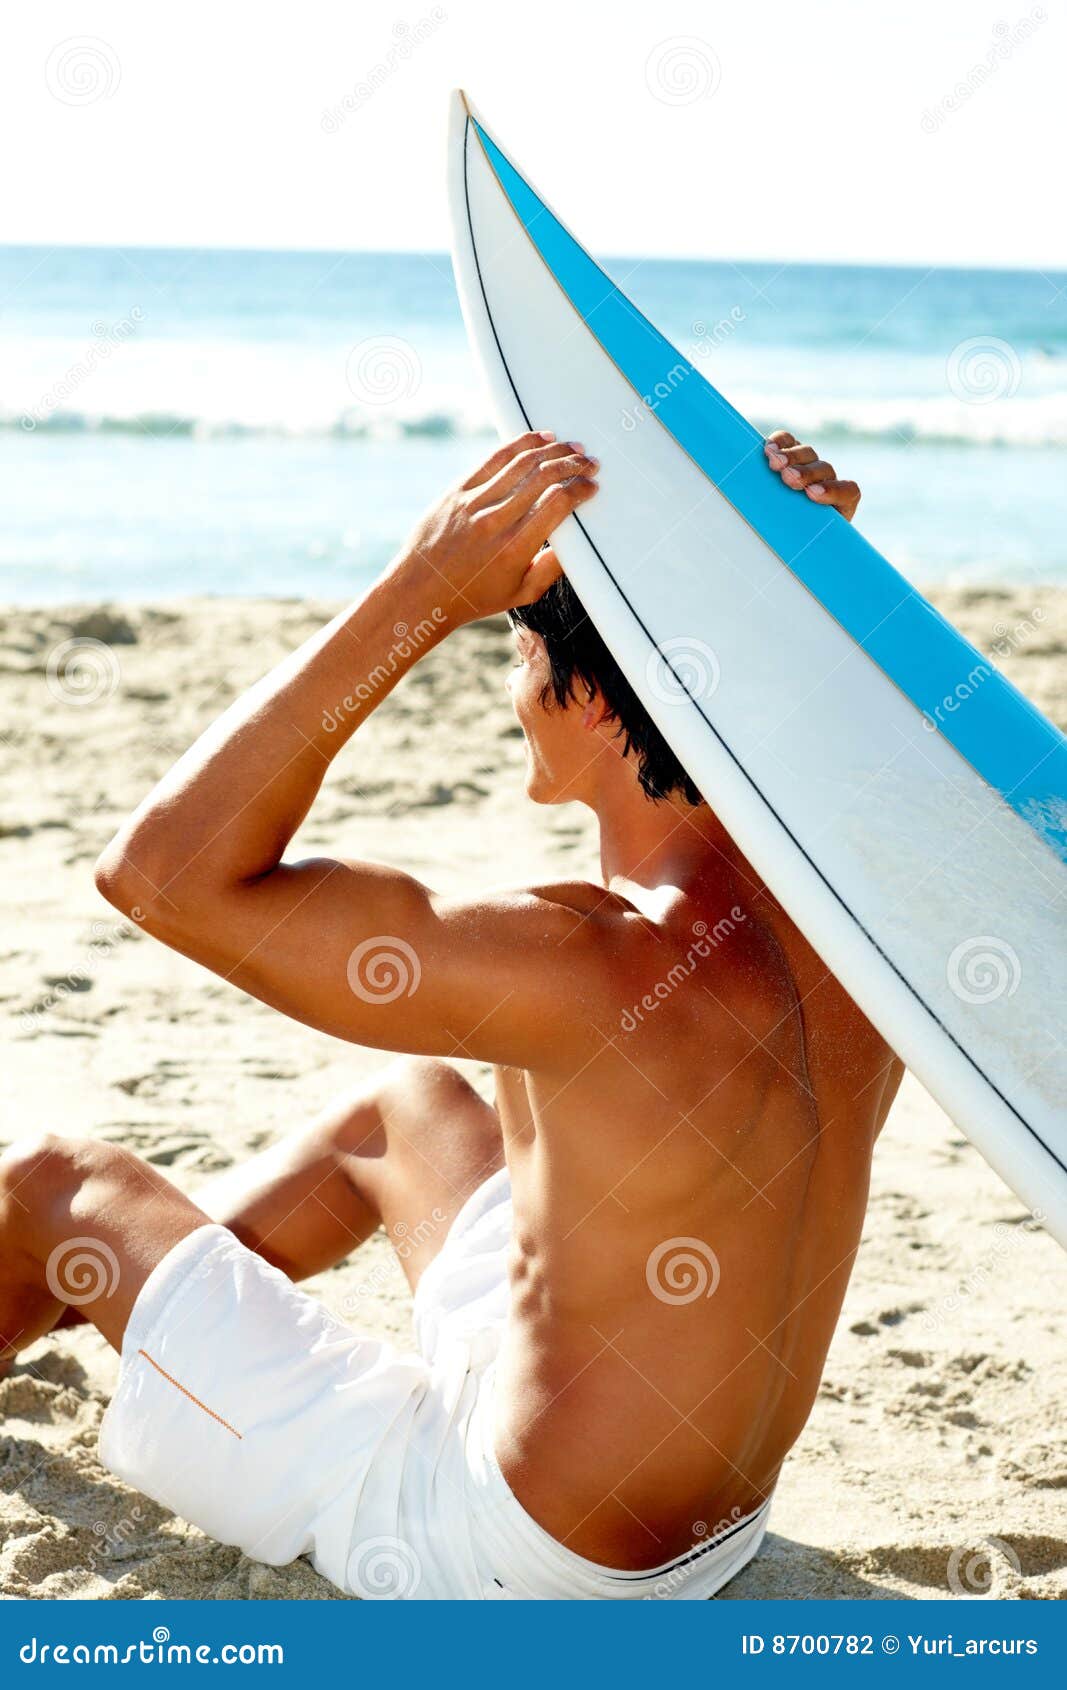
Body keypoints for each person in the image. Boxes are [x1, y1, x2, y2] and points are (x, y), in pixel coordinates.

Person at [0, 428, 898, 1599]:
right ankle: (130, 1303)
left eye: (518, 654)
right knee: (403, 1106)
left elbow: (160, 873)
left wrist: (422, 590)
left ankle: (89, 1280)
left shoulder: (599, 961)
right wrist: (799, 566)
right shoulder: (855, 891)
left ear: (595, 706)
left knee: (53, 1185)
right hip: (710, 1524)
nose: (512, 691)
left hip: (507, 1552)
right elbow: (820, 711)